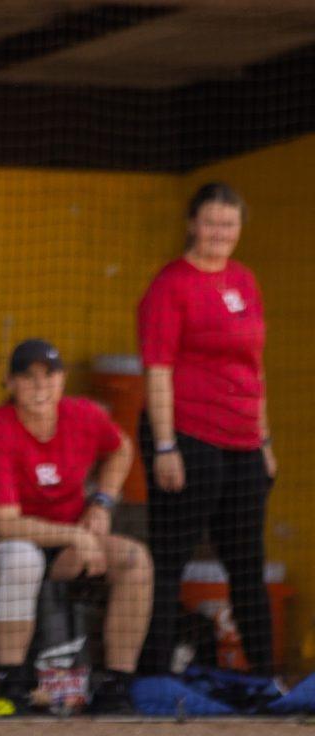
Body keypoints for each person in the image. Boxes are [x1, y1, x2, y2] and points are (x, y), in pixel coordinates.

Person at [0, 339, 152, 713]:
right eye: (28, 377)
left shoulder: (83, 415)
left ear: (62, 380)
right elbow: (5, 523)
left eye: (49, 375)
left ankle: (117, 685)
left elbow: (122, 448)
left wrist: (103, 502)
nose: (40, 386)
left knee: (136, 559)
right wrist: (78, 535)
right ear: (9, 383)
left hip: (70, 546)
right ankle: (12, 685)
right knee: (22, 559)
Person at [137, 182, 276, 676]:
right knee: (170, 559)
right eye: (211, 222)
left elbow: (254, 366)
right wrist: (166, 444)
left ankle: (264, 676)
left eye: (229, 224)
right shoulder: (170, 284)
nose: (220, 232)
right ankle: (152, 674)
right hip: (188, 435)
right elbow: (156, 369)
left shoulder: (244, 279)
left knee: (247, 562)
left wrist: (264, 441)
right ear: (193, 224)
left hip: (243, 442)